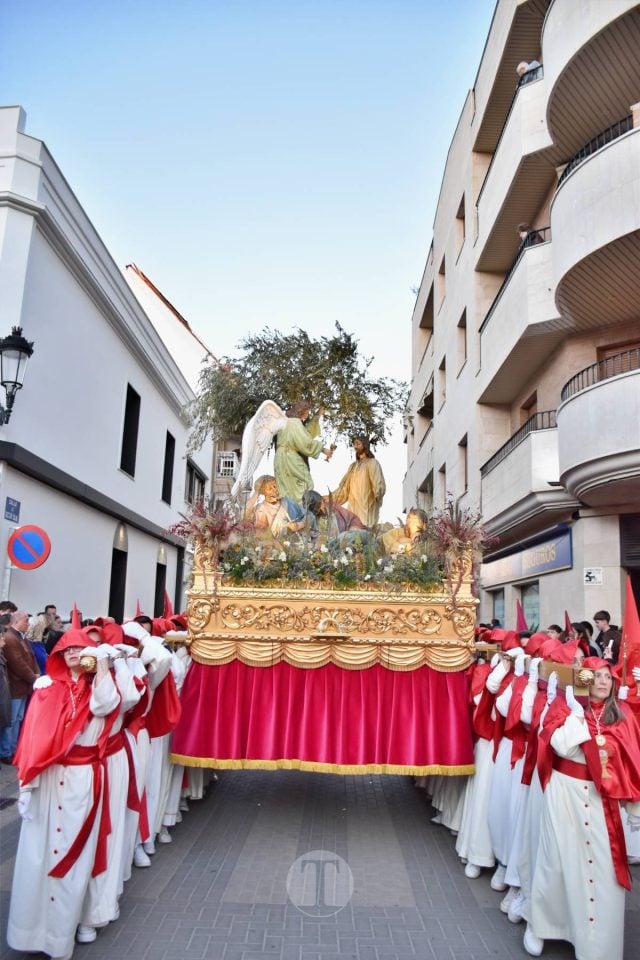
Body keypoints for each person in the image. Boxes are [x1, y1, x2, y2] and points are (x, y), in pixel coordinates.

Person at [7, 630, 121, 960]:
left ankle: (69, 929)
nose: (73, 653)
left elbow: (106, 706)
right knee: (39, 855)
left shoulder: (100, 686)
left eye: (80, 648)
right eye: (67, 648)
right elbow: (32, 741)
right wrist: (26, 784)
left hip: (84, 779)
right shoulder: (48, 690)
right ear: (58, 654)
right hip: (49, 779)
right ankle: (32, 932)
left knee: (78, 852)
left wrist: (101, 667)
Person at [525, 658, 640, 958]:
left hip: (603, 801)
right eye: (596, 676)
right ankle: (544, 926)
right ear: (584, 678)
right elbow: (560, 746)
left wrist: (635, 808)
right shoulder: (565, 709)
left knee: (601, 870)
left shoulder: (622, 715)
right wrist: (577, 716)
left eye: (608, 677)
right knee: (556, 861)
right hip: (565, 794)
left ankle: (597, 942)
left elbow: (632, 760)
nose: (603, 682)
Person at [273, 400, 334, 504]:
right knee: (305, 482)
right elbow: (305, 442)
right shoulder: (294, 422)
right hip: (289, 457)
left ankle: (289, 508)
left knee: (286, 486)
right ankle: (301, 509)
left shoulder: (287, 422)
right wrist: (323, 449)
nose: (307, 414)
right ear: (302, 411)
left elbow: (305, 434)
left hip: (280, 457)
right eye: (307, 411)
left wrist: (318, 416)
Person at [0, 610, 39, 762]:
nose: (28, 624)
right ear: (16, 622)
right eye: (25, 621)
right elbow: (17, 663)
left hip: (23, 685)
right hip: (16, 686)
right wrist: (33, 677)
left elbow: (31, 657)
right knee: (11, 720)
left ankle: (13, 748)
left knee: (18, 718)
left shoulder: (20, 636)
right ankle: (6, 751)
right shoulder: (10, 638)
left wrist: (36, 673)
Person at [330, 435, 386, 527]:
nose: (355, 447)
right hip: (352, 508)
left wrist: (378, 494)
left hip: (366, 506)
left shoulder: (372, 463)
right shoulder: (352, 466)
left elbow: (378, 483)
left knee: (364, 530)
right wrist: (330, 498)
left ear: (365, 445)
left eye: (358, 444)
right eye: (354, 444)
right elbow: (344, 489)